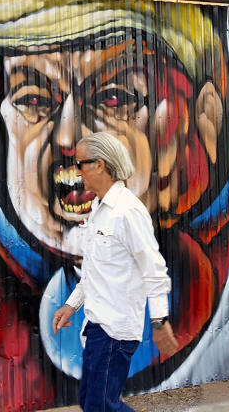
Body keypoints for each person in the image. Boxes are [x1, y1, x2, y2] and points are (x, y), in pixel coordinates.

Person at [51, 132, 178, 412]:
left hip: (115, 330)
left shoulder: (127, 212)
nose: (76, 171)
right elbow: (94, 271)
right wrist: (71, 306)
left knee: (100, 407)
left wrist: (158, 322)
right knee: (92, 403)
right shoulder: (98, 209)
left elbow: (154, 271)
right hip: (97, 325)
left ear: (100, 165)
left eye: (81, 163)